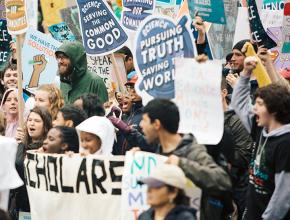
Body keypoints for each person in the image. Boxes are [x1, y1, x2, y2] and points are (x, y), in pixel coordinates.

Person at [138, 99, 232, 220]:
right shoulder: (159, 151)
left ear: (156, 124)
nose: (140, 125)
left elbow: (223, 181)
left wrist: (182, 164)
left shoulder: (193, 152)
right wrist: (138, 159)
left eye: (144, 120)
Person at [231, 56, 290, 219]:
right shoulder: (260, 128)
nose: (254, 108)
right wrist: (246, 73)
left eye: (260, 104)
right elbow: (239, 104)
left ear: (275, 110)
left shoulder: (286, 143)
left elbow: (283, 196)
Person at [13, 107, 52, 214]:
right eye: (29, 120)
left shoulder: (49, 148)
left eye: (37, 121)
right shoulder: (21, 144)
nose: (32, 123)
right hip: (20, 203)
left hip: (40, 205)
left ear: (45, 126)